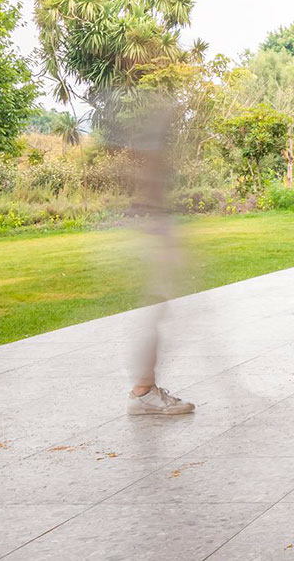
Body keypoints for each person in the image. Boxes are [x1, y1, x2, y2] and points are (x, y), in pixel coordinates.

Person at [109, 89, 195, 417]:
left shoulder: (146, 140)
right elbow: (145, 185)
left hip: (152, 232)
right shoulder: (145, 142)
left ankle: (144, 389)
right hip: (149, 235)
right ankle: (143, 392)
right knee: (152, 312)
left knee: (155, 312)